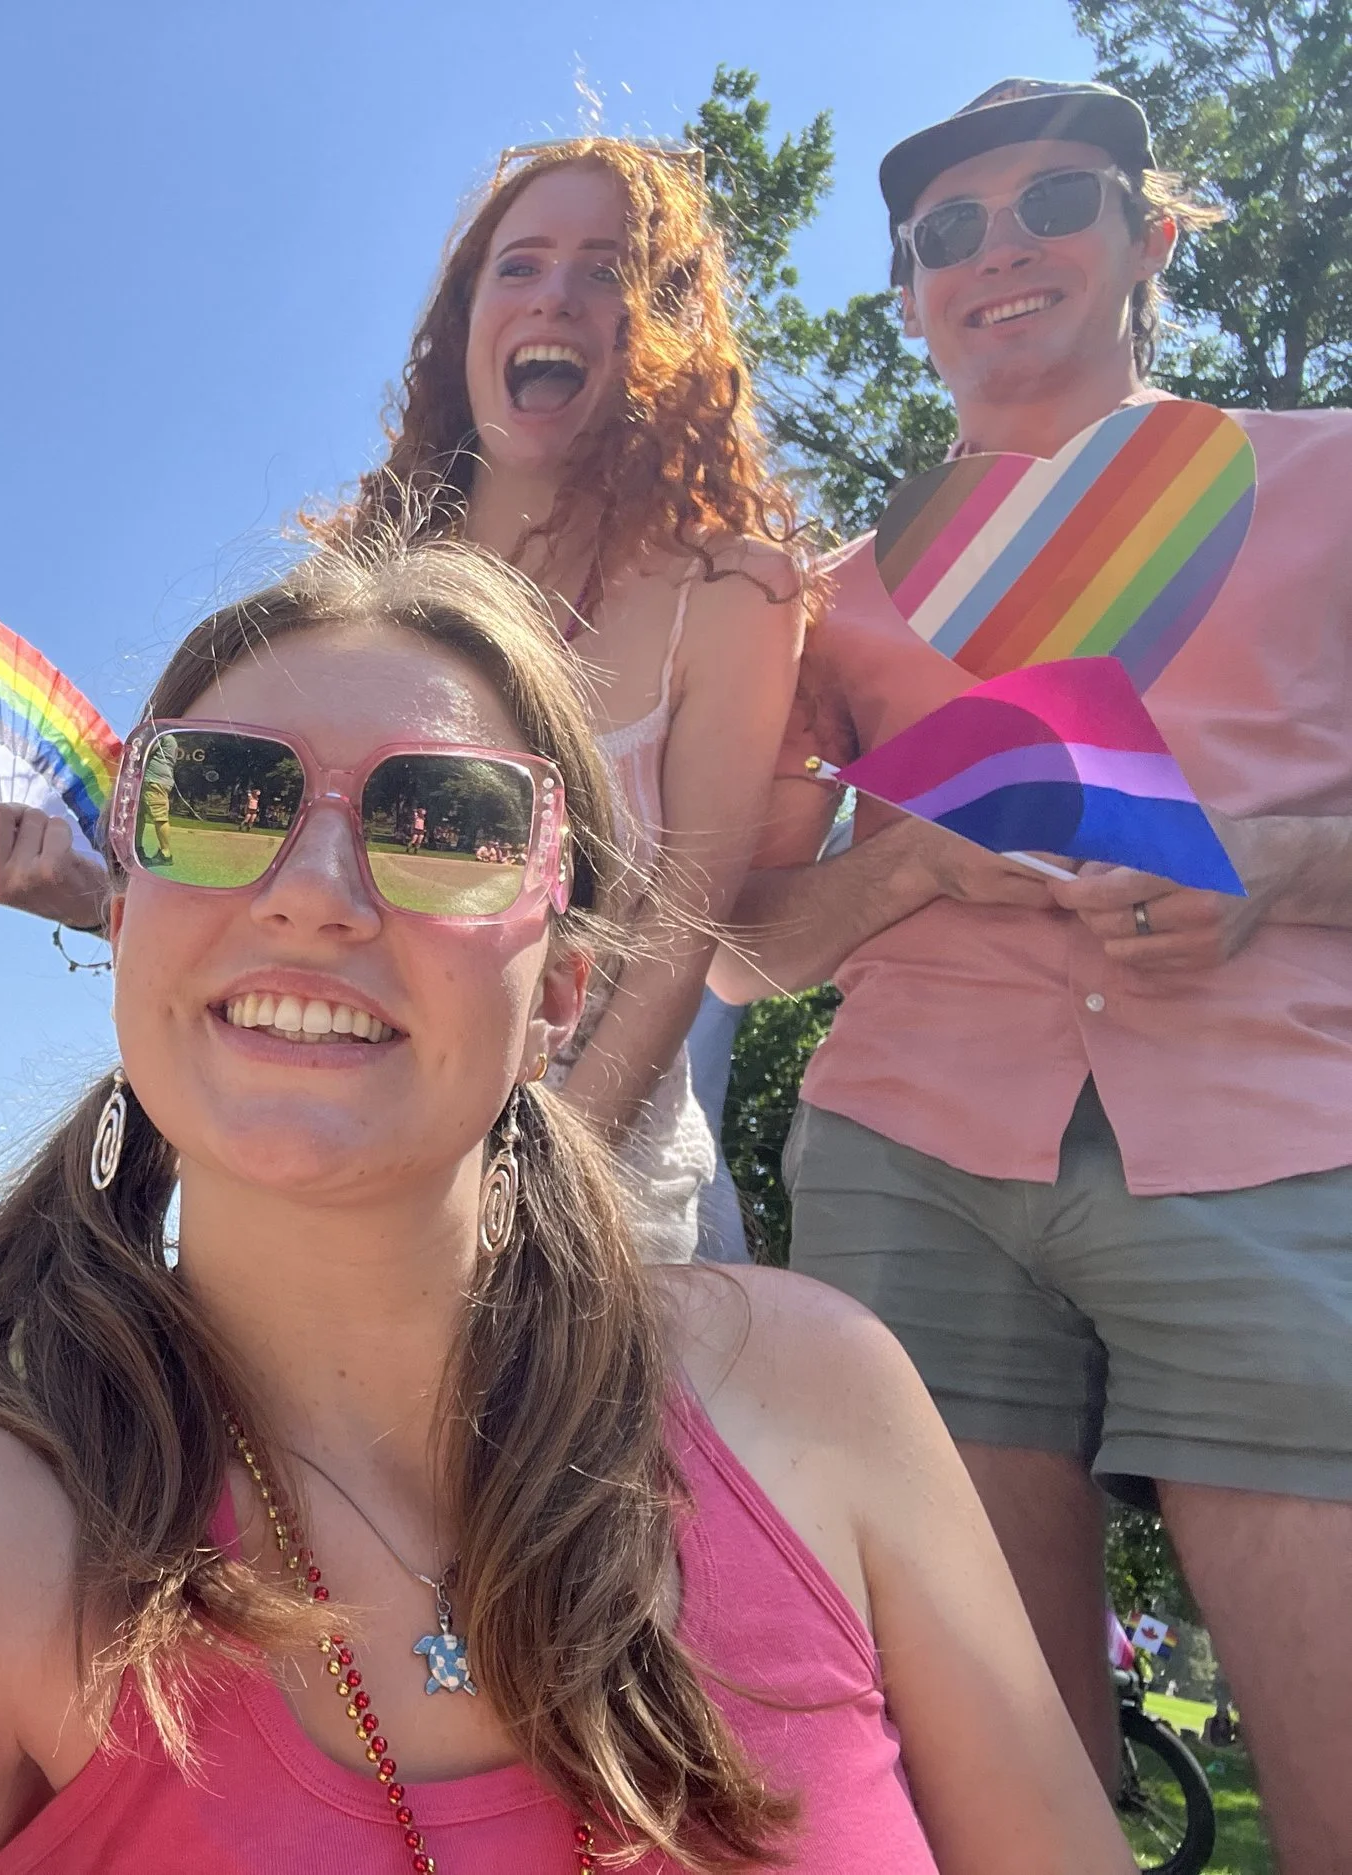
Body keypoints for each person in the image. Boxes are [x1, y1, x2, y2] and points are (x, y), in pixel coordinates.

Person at [0, 541, 1126, 1874]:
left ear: (571, 986)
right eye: (218, 798)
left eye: (446, 823)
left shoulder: (817, 1396)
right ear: (135, 911)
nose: (314, 893)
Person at [715, 80, 1352, 1868]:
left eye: (1054, 203)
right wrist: (916, 855)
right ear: (913, 297)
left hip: (1277, 1148)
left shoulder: (1330, 477)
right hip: (914, 1164)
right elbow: (751, 951)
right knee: (1006, 1807)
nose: (999, 252)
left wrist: (1275, 871)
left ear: (1151, 235)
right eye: (945, 238)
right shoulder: (835, 600)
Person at [0, 140, 807, 1264]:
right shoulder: (354, 571)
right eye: (519, 264)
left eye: (606, 270)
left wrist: (531, 1203)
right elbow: (291, 890)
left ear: (665, 326)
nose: (556, 293)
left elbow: (672, 945)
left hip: (600, 1208)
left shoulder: (733, 590)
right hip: (327, 1162)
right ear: (460, 322)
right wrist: (79, 887)